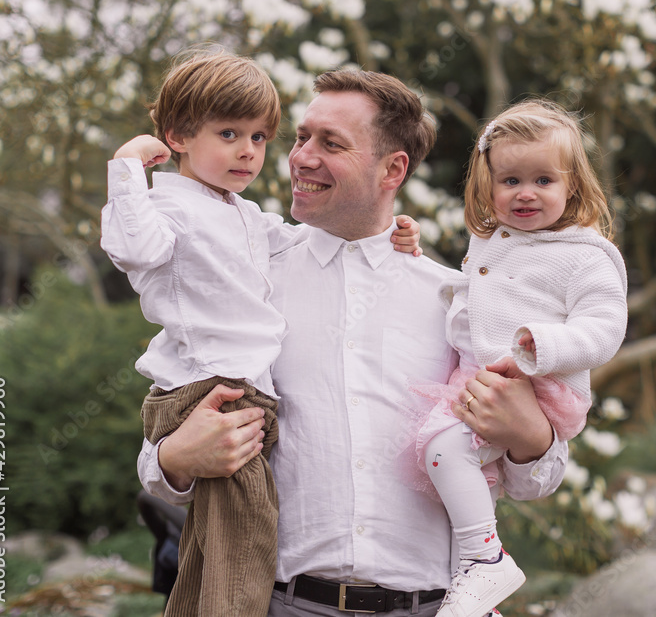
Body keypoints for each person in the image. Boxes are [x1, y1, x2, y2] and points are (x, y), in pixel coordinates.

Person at [137, 69, 570, 617]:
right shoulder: (240, 282)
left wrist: (531, 435)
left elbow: (536, 480)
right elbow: (158, 459)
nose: (300, 158)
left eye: (331, 143)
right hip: (283, 605)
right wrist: (176, 458)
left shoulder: (458, 301)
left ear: (393, 169)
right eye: (300, 137)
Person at [101, 51, 420, 616]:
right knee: (236, 545)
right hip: (211, 392)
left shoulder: (245, 216)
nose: (254, 152)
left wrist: (397, 243)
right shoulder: (168, 206)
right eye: (230, 133)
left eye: (259, 137)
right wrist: (127, 168)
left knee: (224, 545)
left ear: (392, 170)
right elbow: (131, 247)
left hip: (423, 597)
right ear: (177, 136)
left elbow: (297, 240)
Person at [413, 99, 628, 617]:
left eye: (543, 181)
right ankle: (476, 586)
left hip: (540, 385)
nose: (525, 193)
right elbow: (474, 295)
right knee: (469, 470)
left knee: (442, 446)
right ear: (487, 184)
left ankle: (485, 561)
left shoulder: (584, 255)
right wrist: (412, 254)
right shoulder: (491, 240)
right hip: (489, 382)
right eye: (509, 180)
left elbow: (605, 328)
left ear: (572, 184)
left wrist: (543, 345)